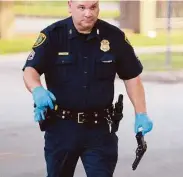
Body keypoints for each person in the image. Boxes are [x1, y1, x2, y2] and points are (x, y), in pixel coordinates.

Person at [22, 1, 153, 177]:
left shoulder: (114, 37)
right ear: (70, 6)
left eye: (93, 7)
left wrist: (141, 113)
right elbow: (30, 70)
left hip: (99, 129)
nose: (88, 13)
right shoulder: (53, 35)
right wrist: (37, 89)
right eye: (82, 8)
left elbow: (132, 77)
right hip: (62, 128)